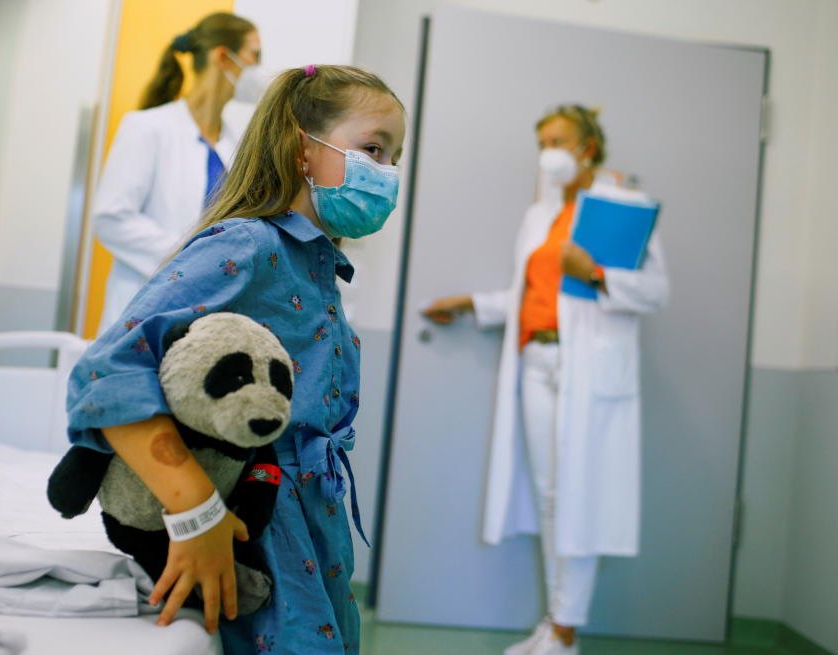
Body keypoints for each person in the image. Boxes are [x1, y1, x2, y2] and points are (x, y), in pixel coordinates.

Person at [66, 64, 405, 654]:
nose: (388, 174)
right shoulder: (246, 246)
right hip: (259, 529)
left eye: (395, 158)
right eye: (373, 149)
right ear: (303, 148)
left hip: (312, 527)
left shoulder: (317, 266)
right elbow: (107, 376)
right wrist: (196, 515)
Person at [422, 105, 668, 655]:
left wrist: (599, 275)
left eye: (557, 140)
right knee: (552, 497)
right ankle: (555, 623)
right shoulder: (539, 216)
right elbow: (532, 296)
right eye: (541, 142)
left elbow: (656, 291)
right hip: (537, 365)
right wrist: (471, 304)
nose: (547, 152)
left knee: (579, 496)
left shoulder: (621, 207)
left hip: (590, 370)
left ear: (587, 148)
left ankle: (566, 631)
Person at [93, 12, 264, 335]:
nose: (259, 69)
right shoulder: (147, 128)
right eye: (254, 56)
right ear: (223, 57)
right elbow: (111, 218)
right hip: (144, 310)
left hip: (207, 313)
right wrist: (189, 256)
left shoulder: (233, 146)